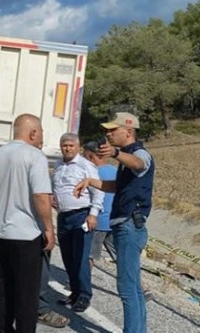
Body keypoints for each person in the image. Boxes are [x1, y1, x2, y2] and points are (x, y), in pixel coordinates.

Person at [74, 112, 155, 333]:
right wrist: (91, 181)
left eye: (112, 130)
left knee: (127, 288)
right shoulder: (125, 158)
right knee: (134, 289)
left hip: (129, 225)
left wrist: (116, 153)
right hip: (127, 225)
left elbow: (139, 164)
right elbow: (117, 187)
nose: (107, 134)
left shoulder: (138, 154)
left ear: (128, 131)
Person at [0, 113, 55, 333]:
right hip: (26, 234)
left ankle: (5, 329)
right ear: (33, 133)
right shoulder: (35, 157)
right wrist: (49, 228)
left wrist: (2, 211)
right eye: (41, 133)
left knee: (4, 288)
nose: (41, 138)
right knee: (27, 293)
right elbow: (41, 196)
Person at [52, 133, 103, 313]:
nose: (67, 148)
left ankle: (84, 295)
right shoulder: (58, 165)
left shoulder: (85, 166)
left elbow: (99, 191)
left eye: (70, 146)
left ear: (77, 147)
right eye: (64, 145)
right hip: (63, 216)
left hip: (81, 216)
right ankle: (74, 292)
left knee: (81, 257)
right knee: (68, 257)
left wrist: (93, 214)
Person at [83, 140, 118, 266]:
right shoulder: (115, 171)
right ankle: (136, 284)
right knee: (119, 256)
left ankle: (81, 283)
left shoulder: (92, 174)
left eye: (84, 155)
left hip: (97, 221)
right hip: (113, 220)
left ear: (91, 156)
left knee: (89, 255)